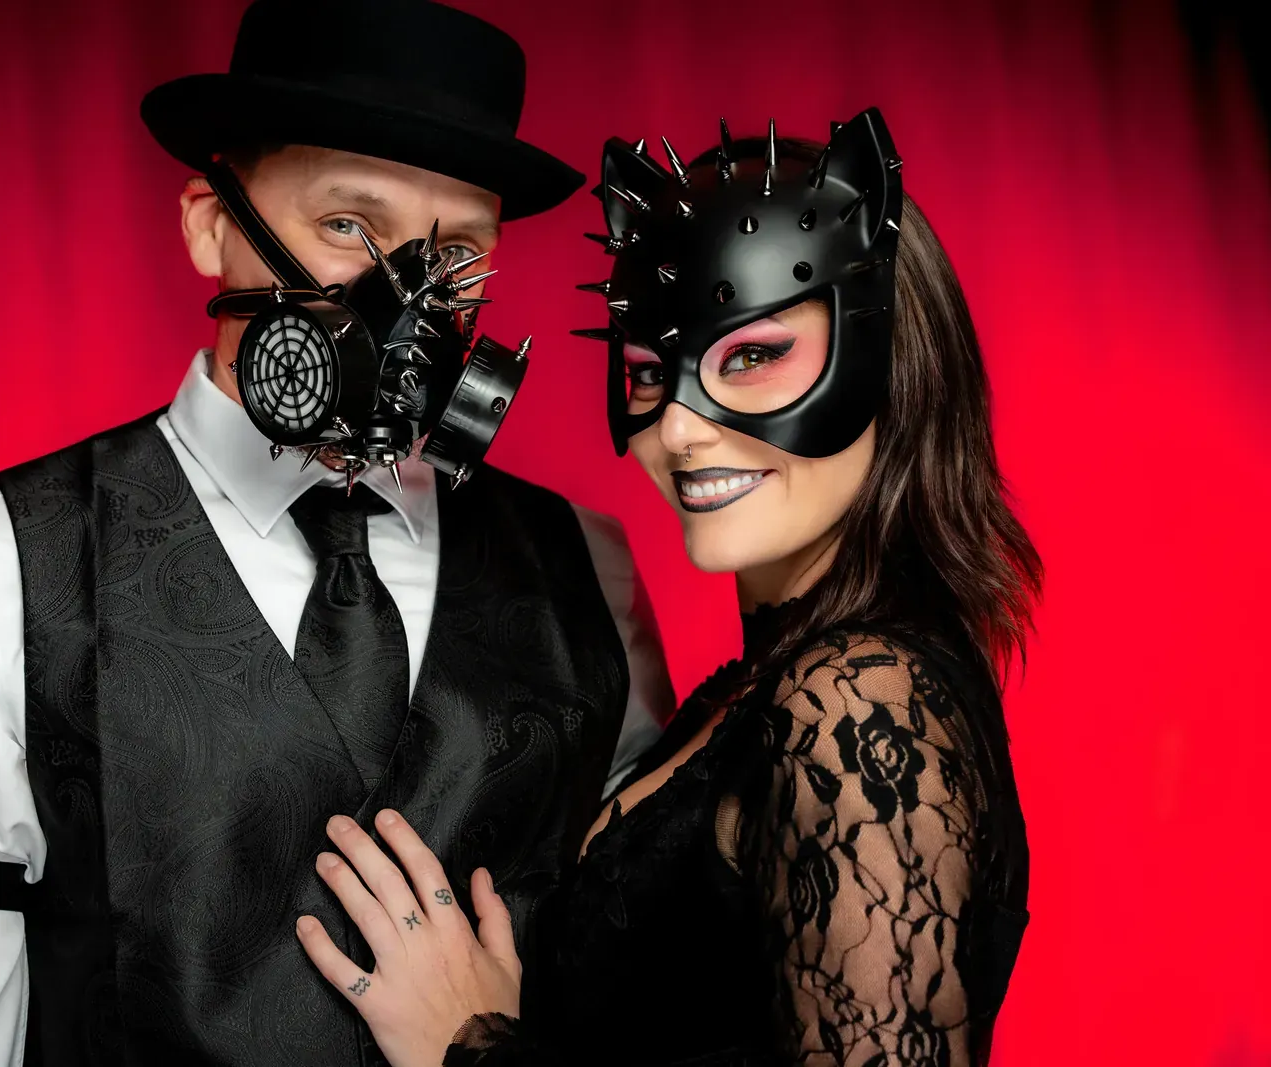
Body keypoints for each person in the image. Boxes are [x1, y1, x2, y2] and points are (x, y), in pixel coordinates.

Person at [0, 3, 675, 1065]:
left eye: (456, 253)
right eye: (347, 227)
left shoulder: (583, 570)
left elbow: (644, 986)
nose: (405, 301)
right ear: (206, 222)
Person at [294, 108, 1041, 1066]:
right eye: (650, 372)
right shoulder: (760, 689)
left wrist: (473, 1046)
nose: (680, 429)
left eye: (756, 356)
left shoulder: (860, 703)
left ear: (891, 353)